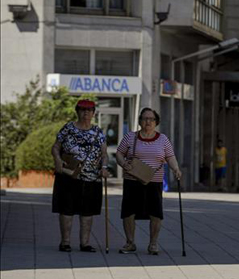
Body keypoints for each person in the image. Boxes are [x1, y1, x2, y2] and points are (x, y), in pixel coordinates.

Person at [115, 108, 181, 255]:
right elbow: (119, 152)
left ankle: (153, 244)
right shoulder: (130, 137)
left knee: (155, 213)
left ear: (156, 122)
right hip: (132, 180)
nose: (148, 122)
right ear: (140, 121)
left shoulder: (163, 139)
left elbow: (170, 156)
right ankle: (130, 242)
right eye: (145, 119)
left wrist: (176, 169)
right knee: (129, 212)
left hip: (154, 181)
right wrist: (123, 164)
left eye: (151, 119)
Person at [51, 100, 109, 252]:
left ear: (93, 113)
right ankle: (65, 242)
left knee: (88, 212)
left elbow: (104, 154)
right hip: (68, 176)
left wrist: (104, 168)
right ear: (77, 111)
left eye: (89, 110)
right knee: (66, 209)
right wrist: (57, 159)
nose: (86, 113)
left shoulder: (98, 132)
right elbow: (55, 147)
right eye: (83, 110)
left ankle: (85, 243)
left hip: (92, 178)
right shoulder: (68, 128)